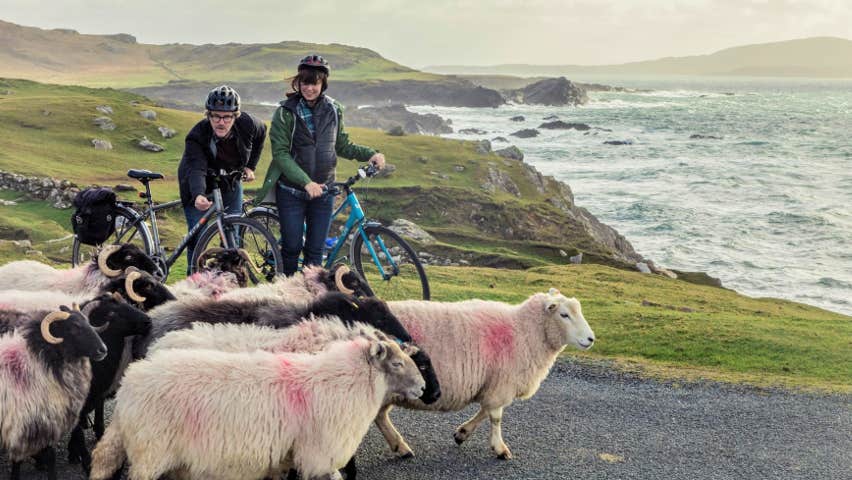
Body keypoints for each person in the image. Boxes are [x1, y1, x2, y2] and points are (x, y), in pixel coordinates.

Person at [254, 55, 385, 276]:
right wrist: (305, 182)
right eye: (305, 82)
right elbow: (281, 155)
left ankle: (309, 298)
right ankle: (285, 295)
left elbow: (342, 145)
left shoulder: (334, 110)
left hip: (324, 192)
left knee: (315, 252)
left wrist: (372, 153)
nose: (309, 88)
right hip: (292, 192)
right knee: (292, 248)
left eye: (314, 83)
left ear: (323, 83)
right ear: (298, 82)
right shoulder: (285, 113)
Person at [177, 85, 267, 272]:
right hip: (198, 183)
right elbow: (196, 168)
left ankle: (229, 278)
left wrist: (250, 166)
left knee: (232, 230)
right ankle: (193, 278)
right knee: (198, 235)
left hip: (230, 181)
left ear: (236, 116)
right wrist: (198, 195)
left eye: (227, 117)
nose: (221, 122)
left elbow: (262, 133)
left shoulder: (248, 124)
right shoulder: (197, 136)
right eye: (216, 116)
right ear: (208, 115)